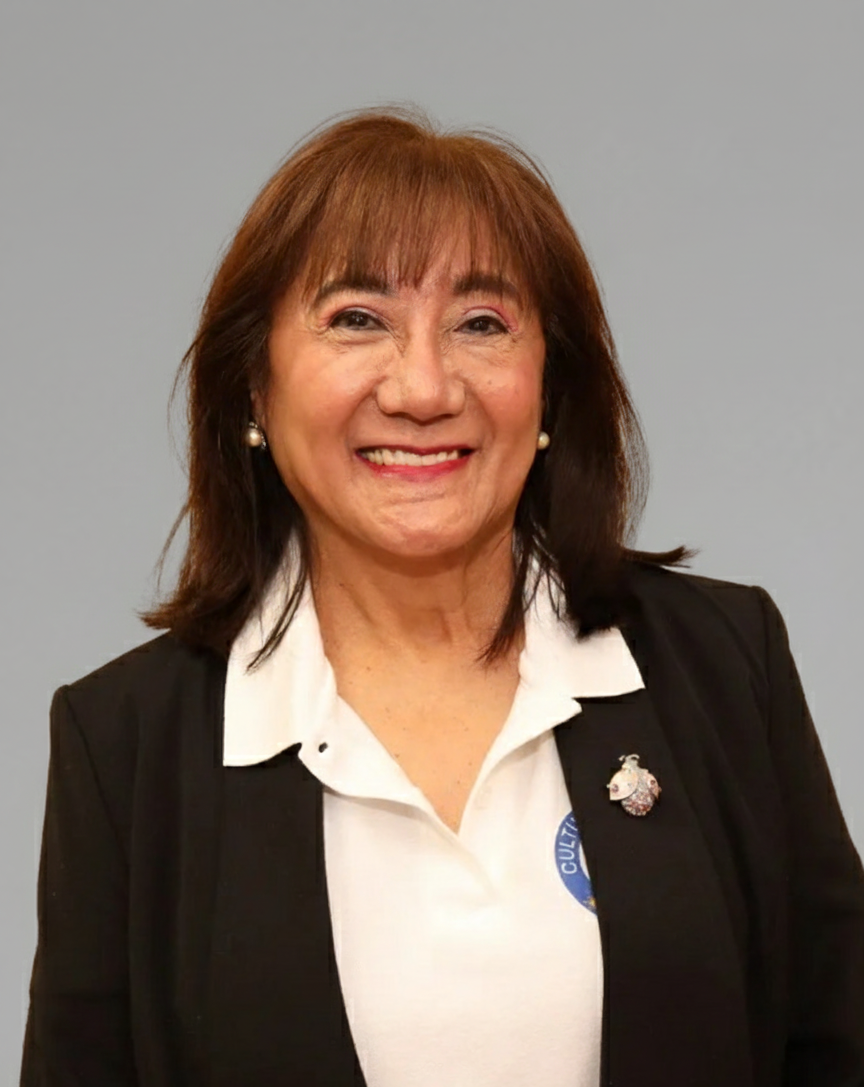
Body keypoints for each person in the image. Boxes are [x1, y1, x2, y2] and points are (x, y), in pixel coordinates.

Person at [20, 107, 864, 1087]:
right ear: (254, 386)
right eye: (357, 319)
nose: (422, 389)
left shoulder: (722, 662)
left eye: (481, 324)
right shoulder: (127, 745)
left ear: (549, 389)